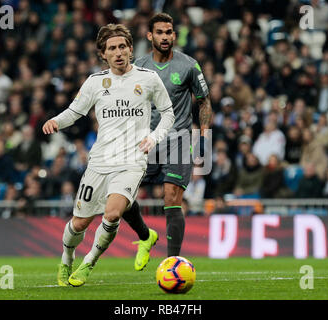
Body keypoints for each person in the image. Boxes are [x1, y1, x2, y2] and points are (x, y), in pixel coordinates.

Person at [42, 24, 175, 287]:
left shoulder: (148, 78)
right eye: (112, 48)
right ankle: (67, 258)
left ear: (130, 49)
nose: (118, 52)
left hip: (132, 161)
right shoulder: (95, 82)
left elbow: (168, 113)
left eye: (122, 47)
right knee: (79, 223)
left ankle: (88, 263)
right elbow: (74, 112)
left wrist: (153, 137)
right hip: (100, 161)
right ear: (103, 54)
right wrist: (55, 121)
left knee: (113, 214)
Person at [121, 13, 212, 270]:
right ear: (150, 36)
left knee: (171, 197)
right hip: (146, 140)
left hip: (179, 138)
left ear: (174, 35)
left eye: (169, 32)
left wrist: (204, 137)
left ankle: (172, 263)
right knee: (122, 194)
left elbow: (204, 101)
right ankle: (145, 236)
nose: (165, 37)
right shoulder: (137, 67)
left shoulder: (189, 65)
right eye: (159, 32)